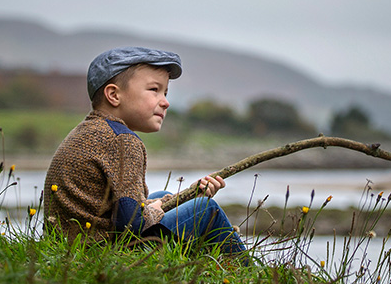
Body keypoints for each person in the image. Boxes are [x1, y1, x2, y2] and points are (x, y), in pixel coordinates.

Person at [43, 46, 248, 261]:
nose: (165, 102)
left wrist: (188, 196)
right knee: (207, 209)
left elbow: (121, 208)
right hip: (102, 253)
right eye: (154, 90)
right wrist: (162, 210)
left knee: (158, 197)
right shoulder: (122, 140)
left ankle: (199, 260)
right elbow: (132, 224)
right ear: (114, 95)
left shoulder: (89, 131)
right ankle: (250, 276)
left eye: (166, 93)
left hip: (75, 246)